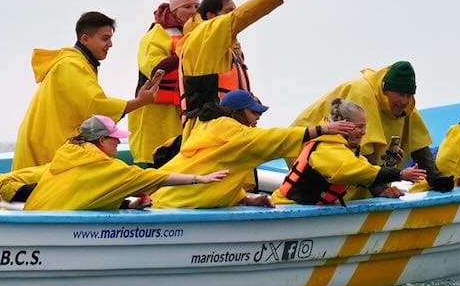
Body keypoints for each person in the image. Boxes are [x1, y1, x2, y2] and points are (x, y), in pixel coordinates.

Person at [152, 89, 356, 209]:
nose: (258, 117)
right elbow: (273, 138)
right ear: (236, 113)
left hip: (164, 200)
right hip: (178, 206)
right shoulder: (234, 133)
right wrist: (322, 129)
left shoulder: (209, 127)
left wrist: (245, 199)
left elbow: (220, 170)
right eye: (253, 112)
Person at [12, 11, 163, 170]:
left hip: (47, 141)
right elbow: (95, 105)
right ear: (85, 39)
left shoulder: (78, 63)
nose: (110, 44)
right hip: (45, 145)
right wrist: (140, 101)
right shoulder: (71, 65)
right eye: (105, 38)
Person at [291, 61, 454, 192]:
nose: (404, 101)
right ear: (384, 89)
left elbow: (419, 143)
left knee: (360, 183)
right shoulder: (362, 94)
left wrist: (435, 178)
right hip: (307, 146)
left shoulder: (406, 107)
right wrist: (380, 189)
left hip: (359, 163)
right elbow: (363, 146)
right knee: (341, 181)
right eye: (400, 95)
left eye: (408, 95)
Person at [176, 0, 309, 134]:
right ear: (211, 16)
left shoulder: (229, 49)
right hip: (207, 127)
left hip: (229, 122)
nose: (234, 14)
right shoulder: (203, 36)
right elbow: (240, 17)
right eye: (228, 11)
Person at [26, 116, 227, 211]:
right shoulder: (107, 168)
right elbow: (157, 177)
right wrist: (199, 178)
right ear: (102, 140)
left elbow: (86, 195)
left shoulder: (65, 158)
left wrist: (129, 204)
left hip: (32, 221)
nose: (118, 142)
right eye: (115, 138)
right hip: (56, 229)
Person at [274, 98, 427, 204]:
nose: (364, 132)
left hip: (307, 207)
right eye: (359, 127)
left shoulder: (344, 148)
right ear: (343, 125)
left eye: (365, 126)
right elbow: (357, 171)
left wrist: (390, 166)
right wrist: (400, 174)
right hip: (287, 207)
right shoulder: (327, 148)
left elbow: (365, 169)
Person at [129, 0, 200, 166]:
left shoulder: (195, 34)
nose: (193, 11)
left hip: (184, 112)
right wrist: (186, 53)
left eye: (196, 6)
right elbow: (153, 67)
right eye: (187, 7)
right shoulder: (158, 33)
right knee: (158, 163)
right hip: (157, 116)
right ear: (174, 10)